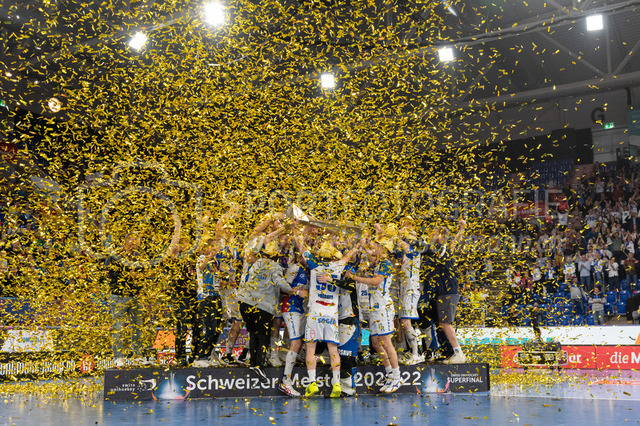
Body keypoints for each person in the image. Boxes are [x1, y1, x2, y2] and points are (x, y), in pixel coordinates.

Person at [294, 232, 360, 398]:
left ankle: (312, 383)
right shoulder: (338, 266)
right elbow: (349, 255)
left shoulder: (314, 264)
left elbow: (301, 247)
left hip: (315, 312)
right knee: (333, 349)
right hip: (332, 314)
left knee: (311, 348)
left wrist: (296, 233)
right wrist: (358, 245)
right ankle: (336, 384)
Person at [238, 240, 301, 384]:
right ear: (276, 256)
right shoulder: (274, 266)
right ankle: (259, 365)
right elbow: (279, 283)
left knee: (253, 334)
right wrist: (294, 290)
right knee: (264, 336)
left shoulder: (256, 263)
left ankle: (253, 363)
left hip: (245, 303)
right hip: (262, 306)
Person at [421, 219, 467, 364]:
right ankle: (452, 352)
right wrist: (462, 229)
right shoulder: (444, 248)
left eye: (434, 233)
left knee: (446, 324)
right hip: (443, 291)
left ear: (440, 236)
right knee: (443, 324)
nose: (431, 235)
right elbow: (455, 241)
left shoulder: (440, 248)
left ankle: (458, 353)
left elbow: (452, 242)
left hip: (448, 291)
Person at [105, 234, 149, 367]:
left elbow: (144, 274)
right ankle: (118, 357)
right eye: (133, 240)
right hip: (118, 296)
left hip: (135, 296)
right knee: (118, 327)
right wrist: (126, 275)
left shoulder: (140, 257)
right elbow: (109, 274)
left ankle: (138, 356)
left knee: (138, 327)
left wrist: (141, 277)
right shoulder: (115, 255)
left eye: (137, 240)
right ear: (126, 241)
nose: (135, 243)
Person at [278, 255, 309, 397]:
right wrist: (297, 291)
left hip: (302, 309)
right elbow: (283, 287)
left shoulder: (310, 270)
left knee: (300, 342)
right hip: (291, 308)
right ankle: (286, 380)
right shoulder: (295, 268)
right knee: (295, 342)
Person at [193, 239, 225, 367]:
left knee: (217, 329)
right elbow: (201, 266)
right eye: (211, 246)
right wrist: (210, 255)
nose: (213, 248)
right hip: (206, 298)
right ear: (204, 248)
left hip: (216, 296)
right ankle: (200, 357)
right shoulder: (201, 258)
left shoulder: (215, 262)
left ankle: (209, 354)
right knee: (210, 329)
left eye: (214, 246)